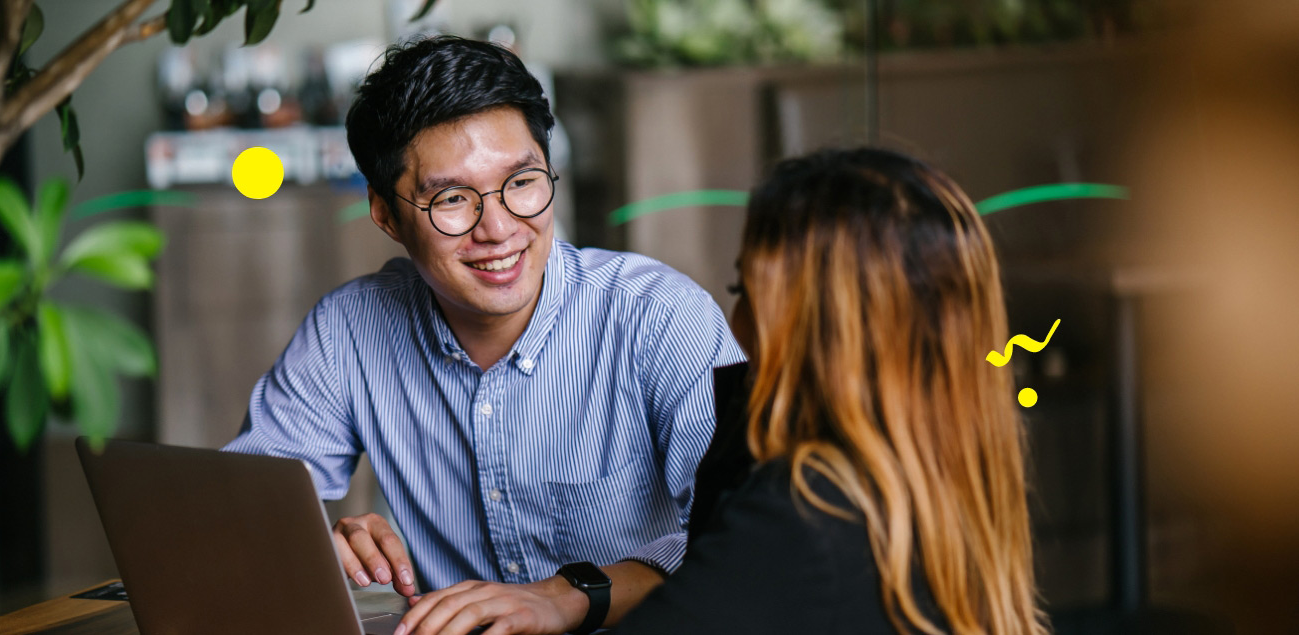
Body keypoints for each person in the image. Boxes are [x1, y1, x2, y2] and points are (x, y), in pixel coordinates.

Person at [223, 36, 743, 635]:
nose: (498, 229)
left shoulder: (657, 316)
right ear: (387, 215)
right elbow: (236, 513)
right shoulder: (349, 331)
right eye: (451, 198)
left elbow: (745, 538)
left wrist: (567, 597)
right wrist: (312, 539)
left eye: (522, 183)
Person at [612, 149, 1048, 634]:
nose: (735, 332)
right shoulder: (945, 493)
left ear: (817, 336)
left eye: (745, 295)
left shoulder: (804, 516)